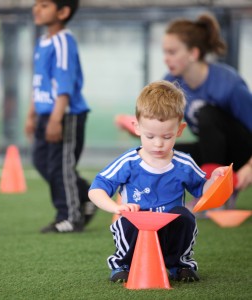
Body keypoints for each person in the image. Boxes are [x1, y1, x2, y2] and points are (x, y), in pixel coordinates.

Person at [88, 80, 228, 283]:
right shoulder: (129, 162)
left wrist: (214, 180)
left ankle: (179, 264)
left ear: (179, 130)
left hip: (169, 227)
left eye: (167, 136)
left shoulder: (184, 163)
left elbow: (202, 190)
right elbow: (97, 188)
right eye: (150, 136)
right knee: (127, 219)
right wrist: (116, 208)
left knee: (185, 216)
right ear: (137, 127)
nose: (158, 143)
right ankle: (123, 264)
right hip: (138, 225)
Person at [162, 13, 252, 204]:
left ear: (193, 53)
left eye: (172, 52)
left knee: (207, 114)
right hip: (212, 150)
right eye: (165, 52)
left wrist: (250, 167)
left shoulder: (230, 84)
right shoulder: (171, 83)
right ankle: (161, 202)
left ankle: (217, 193)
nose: (166, 59)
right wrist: (141, 129)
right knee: (163, 152)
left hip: (242, 154)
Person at [25, 0, 96, 233]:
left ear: (63, 12)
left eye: (45, 5)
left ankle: (70, 217)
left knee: (60, 167)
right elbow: (40, 82)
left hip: (65, 114)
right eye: (36, 4)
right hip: (46, 113)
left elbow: (64, 86)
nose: (37, 8)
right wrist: (32, 114)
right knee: (41, 161)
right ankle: (86, 195)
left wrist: (56, 119)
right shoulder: (42, 41)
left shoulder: (63, 41)